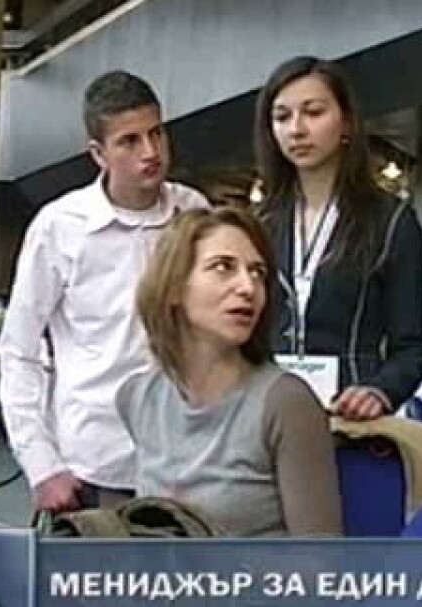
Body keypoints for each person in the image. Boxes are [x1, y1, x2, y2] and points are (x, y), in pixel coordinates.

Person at [0, 71, 211, 515]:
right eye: (129, 141)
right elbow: (19, 349)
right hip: (92, 468)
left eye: (156, 133)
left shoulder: (194, 213)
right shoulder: (59, 227)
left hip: (188, 463)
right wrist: (41, 465)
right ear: (98, 153)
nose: (150, 152)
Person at [116, 207, 343, 537]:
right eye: (223, 267)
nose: (248, 287)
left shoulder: (285, 403)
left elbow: (320, 556)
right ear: (173, 286)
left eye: (257, 273)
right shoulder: (137, 397)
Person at [253, 56, 422, 420]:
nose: (296, 129)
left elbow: (412, 346)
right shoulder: (260, 223)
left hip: (353, 419)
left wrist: (381, 391)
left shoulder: (390, 220)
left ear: (347, 121)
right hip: (269, 415)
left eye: (313, 112)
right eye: (282, 117)